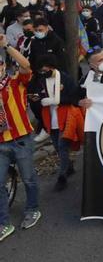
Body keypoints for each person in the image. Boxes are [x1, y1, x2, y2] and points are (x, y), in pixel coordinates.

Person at [0, 34, 41, 239]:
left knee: (28, 178)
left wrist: (6, 45)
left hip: (20, 139)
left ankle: (32, 209)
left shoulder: (15, 82)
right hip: (0, 143)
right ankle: (3, 223)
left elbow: (26, 66)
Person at [27, 54, 82, 191]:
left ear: (52, 67)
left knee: (62, 146)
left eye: (45, 70)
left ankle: (61, 177)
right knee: (58, 147)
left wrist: (56, 101)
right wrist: (37, 99)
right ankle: (68, 166)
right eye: (41, 71)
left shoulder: (65, 78)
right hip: (49, 118)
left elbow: (74, 96)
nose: (43, 73)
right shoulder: (40, 79)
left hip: (65, 116)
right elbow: (37, 94)